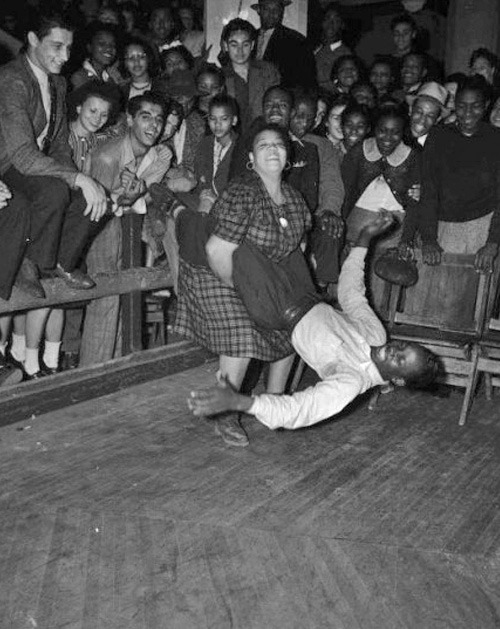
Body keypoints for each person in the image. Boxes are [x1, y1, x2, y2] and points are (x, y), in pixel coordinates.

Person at [187, 210, 439, 430]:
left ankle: (179, 214)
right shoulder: (377, 335)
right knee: (274, 229)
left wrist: (240, 402)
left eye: (401, 361)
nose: (396, 351)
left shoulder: (350, 381)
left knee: (233, 241)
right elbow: (352, 294)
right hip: (306, 288)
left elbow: (302, 409)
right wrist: (364, 238)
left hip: (277, 306)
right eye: (404, 347)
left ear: (397, 380)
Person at [173, 122, 311, 446]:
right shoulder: (243, 191)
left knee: (289, 320)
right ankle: (225, 413)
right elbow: (216, 250)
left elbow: (297, 246)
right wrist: (241, 289)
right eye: (264, 146)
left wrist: (279, 290)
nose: (273, 150)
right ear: (251, 157)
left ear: (288, 157)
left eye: (279, 145)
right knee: (243, 329)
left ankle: (275, 402)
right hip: (212, 268)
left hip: (255, 270)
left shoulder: (293, 198)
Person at [0, 11, 109, 379]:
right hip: (7, 167)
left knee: (88, 198)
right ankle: (33, 265)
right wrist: (75, 177)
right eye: (56, 47)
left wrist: (80, 179)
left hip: (34, 165)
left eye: (69, 48)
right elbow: (22, 156)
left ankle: (59, 262)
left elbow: (59, 145)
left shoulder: (59, 85)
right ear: (32, 39)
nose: (64, 56)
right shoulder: (12, 80)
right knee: (54, 189)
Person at [79, 92, 172, 367]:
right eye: (146, 117)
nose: (153, 125)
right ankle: (92, 375)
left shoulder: (159, 155)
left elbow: (146, 193)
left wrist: (135, 196)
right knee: (106, 298)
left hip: (130, 226)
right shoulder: (108, 156)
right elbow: (96, 209)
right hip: (99, 226)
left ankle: (118, 369)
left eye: (159, 119)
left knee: (126, 296)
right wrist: (126, 199)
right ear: (130, 119)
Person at [404, 76, 500, 273]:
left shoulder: (495, 139)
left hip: (482, 227)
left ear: (486, 106)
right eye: (462, 106)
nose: (468, 113)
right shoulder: (439, 136)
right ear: (454, 105)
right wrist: (429, 239)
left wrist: (492, 243)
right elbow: (429, 190)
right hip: (442, 227)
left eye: (476, 106)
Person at [220, 18, 280, 133]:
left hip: (264, 135)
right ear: (225, 46)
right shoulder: (220, 76)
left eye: (245, 44)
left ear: (252, 45)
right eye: (234, 45)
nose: (240, 51)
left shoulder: (267, 71)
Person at [251, 0, 316, 90]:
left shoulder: (296, 41)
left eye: (276, 9)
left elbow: (306, 80)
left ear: (282, 11)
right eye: (266, 9)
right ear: (259, 10)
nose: (271, 13)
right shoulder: (249, 38)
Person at [70, 21, 121, 89]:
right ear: (89, 47)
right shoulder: (79, 77)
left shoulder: (112, 76)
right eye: (102, 44)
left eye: (112, 45)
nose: (109, 48)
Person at [314, 3, 351, 93]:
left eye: (336, 20)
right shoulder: (314, 48)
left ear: (342, 25)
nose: (331, 24)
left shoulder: (345, 54)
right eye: (327, 18)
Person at [408, 81, 448, 147]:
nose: (422, 120)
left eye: (430, 116)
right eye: (419, 112)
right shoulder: (394, 136)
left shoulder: (440, 147)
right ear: (410, 110)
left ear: (437, 119)